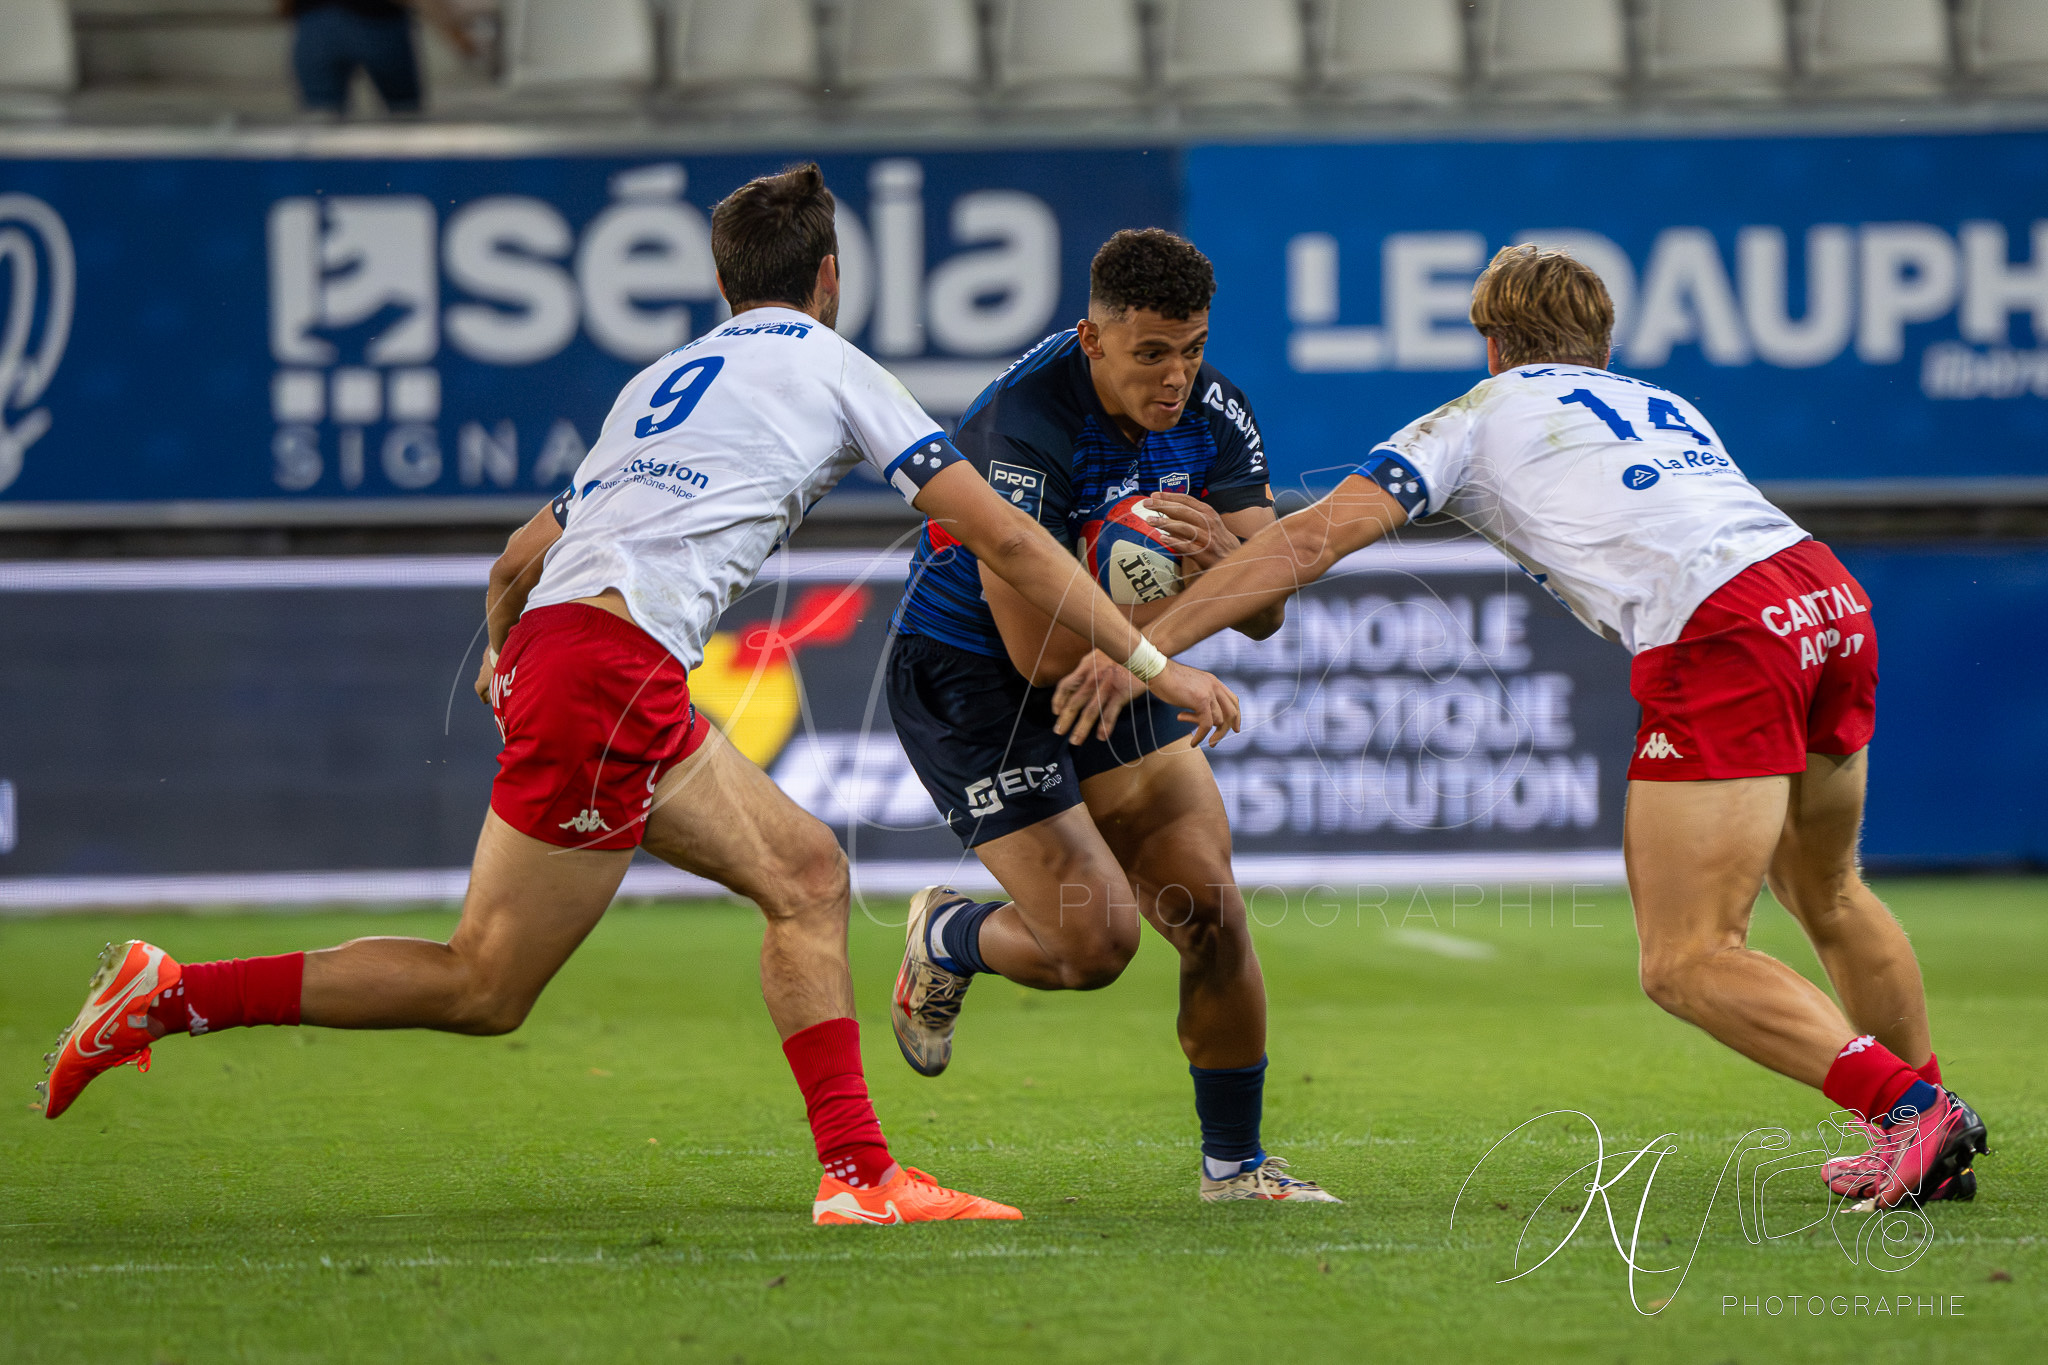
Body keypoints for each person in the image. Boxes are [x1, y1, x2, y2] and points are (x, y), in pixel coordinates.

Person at [36, 165, 1240, 1228]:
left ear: (727, 284)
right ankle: (175, 995)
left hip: (582, 659)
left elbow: (515, 557)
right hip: (610, 676)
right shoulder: (832, 365)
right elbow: (1015, 548)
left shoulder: (661, 381)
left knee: (803, 875)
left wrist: (507, 659)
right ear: (828, 278)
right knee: (484, 983)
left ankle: (859, 1175)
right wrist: (1156, 663)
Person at [1052, 244, 1991, 1214]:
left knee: (1687, 960)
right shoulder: (1658, 404)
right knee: (1828, 891)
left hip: (1724, 630)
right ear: (1600, 341)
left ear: (1490, 344)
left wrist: (1141, 646)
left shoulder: (1475, 415)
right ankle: (1926, 1134)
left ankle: (1911, 1112)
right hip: (1822, 596)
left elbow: (1310, 540)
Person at [885, 229, 1337, 1204]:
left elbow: (1263, 613)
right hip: (975, 680)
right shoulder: (1021, 425)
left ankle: (1236, 1167)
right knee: (1093, 948)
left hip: (1123, 667)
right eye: (1149, 354)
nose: (1175, 376)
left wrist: (1225, 553)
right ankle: (949, 936)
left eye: (1191, 348)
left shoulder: (1213, 412)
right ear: (1092, 339)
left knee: (1210, 911)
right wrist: (1163, 662)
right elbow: (1039, 655)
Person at [284, 0, 476, 118]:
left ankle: (323, 181)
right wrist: (454, 32)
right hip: (378, 21)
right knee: (405, 115)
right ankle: (406, 179)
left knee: (321, 119)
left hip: (315, 23)